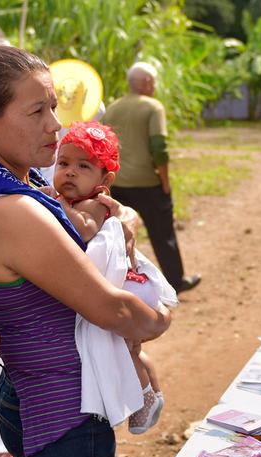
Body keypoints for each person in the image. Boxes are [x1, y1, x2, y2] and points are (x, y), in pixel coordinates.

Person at [0, 45, 171, 457]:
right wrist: (161, 317)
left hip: (32, 400)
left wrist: (117, 214)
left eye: (54, 108)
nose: (54, 125)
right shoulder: (13, 210)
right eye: (37, 110)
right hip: (64, 413)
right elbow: (113, 310)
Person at [48, 121, 177, 434]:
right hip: (128, 283)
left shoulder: (93, 205)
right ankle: (153, 392)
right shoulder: (81, 201)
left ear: (104, 180)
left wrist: (57, 205)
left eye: (83, 166)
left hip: (123, 286)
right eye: (63, 164)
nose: (70, 173)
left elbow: (83, 229)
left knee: (121, 346)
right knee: (129, 347)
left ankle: (145, 394)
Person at [102, 62, 201, 293]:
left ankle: (117, 282)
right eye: (153, 82)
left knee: (118, 234)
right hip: (147, 182)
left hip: (118, 183)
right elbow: (159, 147)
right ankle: (175, 281)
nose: (154, 86)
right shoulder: (153, 107)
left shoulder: (113, 107)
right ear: (146, 83)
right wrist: (165, 182)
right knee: (162, 233)